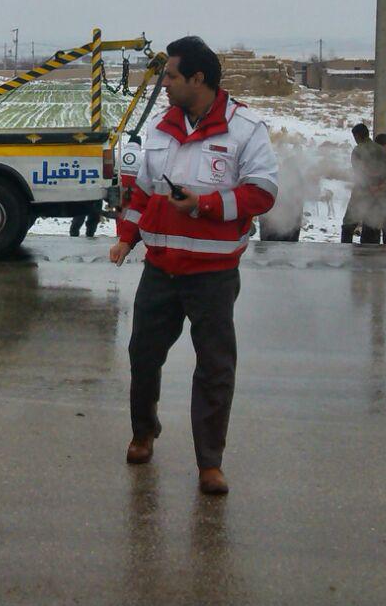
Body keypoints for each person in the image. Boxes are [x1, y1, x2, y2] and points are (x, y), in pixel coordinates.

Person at [109, 36, 279, 495]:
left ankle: (210, 463)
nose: (163, 83)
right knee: (143, 357)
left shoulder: (245, 129)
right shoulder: (162, 128)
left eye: (170, 76)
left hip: (213, 275)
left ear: (197, 80)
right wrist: (127, 237)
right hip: (160, 270)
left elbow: (262, 193)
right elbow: (143, 191)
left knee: (215, 369)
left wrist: (203, 205)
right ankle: (143, 433)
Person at [339, 123, 378, 244]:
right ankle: (371, 255)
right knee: (372, 226)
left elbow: (359, 172)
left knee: (348, 224)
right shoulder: (379, 149)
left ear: (357, 136)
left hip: (362, 191)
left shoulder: (358, 150)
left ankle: (346, 251)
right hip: (378, 192)